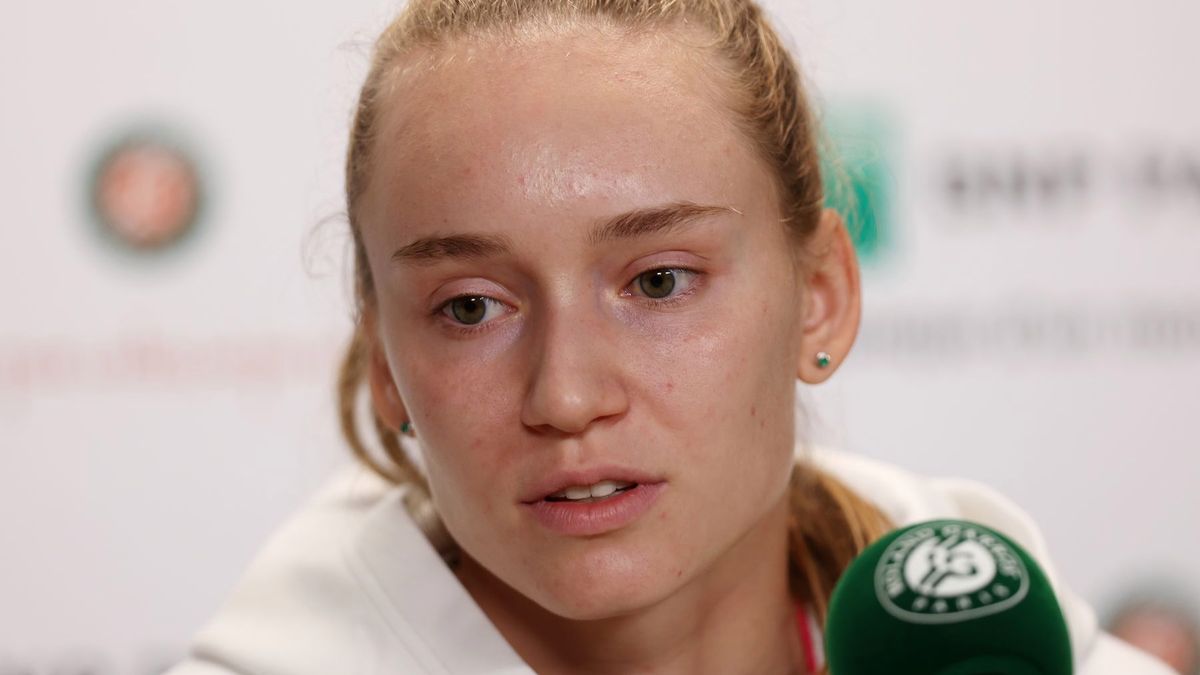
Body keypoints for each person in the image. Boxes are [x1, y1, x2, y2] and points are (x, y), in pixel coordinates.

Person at [166, 0, 1174, 672]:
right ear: (385, 360)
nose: (565, 396)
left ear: (818, 296)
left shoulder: (1003, 632)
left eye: (658, 281)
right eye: (470, 306)